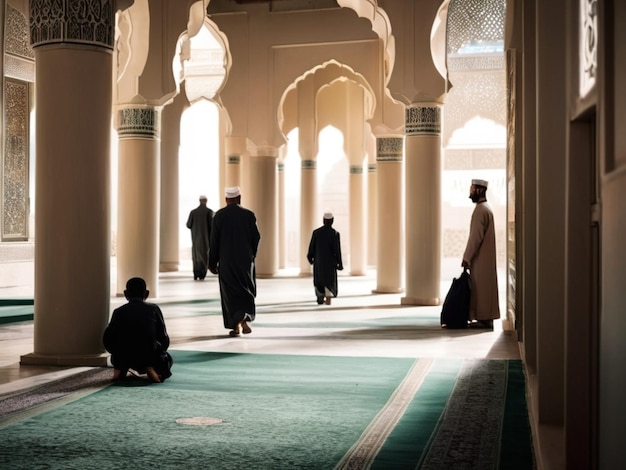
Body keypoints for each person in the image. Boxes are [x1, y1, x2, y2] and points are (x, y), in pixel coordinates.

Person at [208, 186, 261, 337]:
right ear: (239, 198)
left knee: (229, 293)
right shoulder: (249, 215)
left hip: (227, 262)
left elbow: (214, 241)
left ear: (226, 200)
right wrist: (251, 255)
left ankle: (236, 324)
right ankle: (245, 317)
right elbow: (256, 237)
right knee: (246, 289)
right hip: (245, 261)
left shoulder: (219, 216)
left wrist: (212, 262)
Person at [103, 277, 172, 383]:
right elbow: (163, 339)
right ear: (146, 293)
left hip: (124, 357)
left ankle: (119, 370)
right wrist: (158, 351)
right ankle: (151, 368)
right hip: (149, 355)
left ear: (126, 294)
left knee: (120, 352)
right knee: (167, 358)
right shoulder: (154, 309)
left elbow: (108, 340)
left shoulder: (118, 312)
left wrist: (117, 353)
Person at [462, 179, 500, 329]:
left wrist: (466, 257)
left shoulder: (481, 210)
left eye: (472, 189)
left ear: (479, 190)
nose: (470, 193)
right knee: (485, 289)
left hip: (481, 259)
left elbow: (475, 238)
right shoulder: (485, 209)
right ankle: (485, 318)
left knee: (481, 290)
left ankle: (484, 319)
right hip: (484, 259)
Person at [307, 211, 344, 305]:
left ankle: (320, 296)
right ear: (332, 221)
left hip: (319, 261)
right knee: (329, 281)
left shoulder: (316, 233)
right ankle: (328, 297)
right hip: (330, 263)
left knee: (319, 279)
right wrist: (340, 263)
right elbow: (337, 250)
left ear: (323, 220)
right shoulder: (335, 233)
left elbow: (312, 247)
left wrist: (310, 258)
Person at [186, 195, 214, 280]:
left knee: (196, 255)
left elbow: (188, 224)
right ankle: (202, 274)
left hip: (195, 239)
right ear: (206, 201)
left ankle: (196, 273)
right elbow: (212, 226)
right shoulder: (209, 212)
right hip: (206, 239)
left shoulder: (193, 212)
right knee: (205, 256)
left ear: (199, 201)